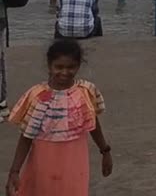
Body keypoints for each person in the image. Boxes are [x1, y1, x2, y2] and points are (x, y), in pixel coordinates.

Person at [5, 40, 112, 195]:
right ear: (50, 66)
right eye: (59, 67)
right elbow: (27, 136)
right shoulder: (38, 96)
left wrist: (105, 151)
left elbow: (93, 124)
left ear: (78, 66)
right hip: (43, 162)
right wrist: (14, 171)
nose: (64, 72)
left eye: (71, 67)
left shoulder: (85, 92)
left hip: (75, 162)